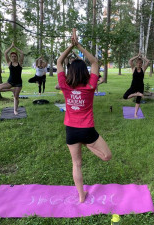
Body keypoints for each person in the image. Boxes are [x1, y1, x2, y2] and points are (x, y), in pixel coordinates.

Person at [57, 29, 112, 203]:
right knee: (107, 156)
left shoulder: (64, 85)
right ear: (85, 73)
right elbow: (95, 61)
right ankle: (89, 145)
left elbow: (59, 61)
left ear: (70, 73)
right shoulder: (90, 86)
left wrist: (70, 46)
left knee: (76, 164)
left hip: (71, 131)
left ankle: (82, 197)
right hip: (87, 130)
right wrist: (79, 45)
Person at [0, 42, 24, 115]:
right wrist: (11, 46)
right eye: (12, 56)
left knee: (16, 97)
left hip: (18, 83)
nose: (14, 57)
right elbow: (5, 53)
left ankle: (15, 110)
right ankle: (12, 90)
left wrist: (15, 47)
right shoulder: (9, 63)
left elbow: (22, 53)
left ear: (17, 57)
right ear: (10, 57)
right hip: (10, 82)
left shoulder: (20, 63)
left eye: (15, 56)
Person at [123, 53, 150, 118]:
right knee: (125, 96)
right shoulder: (133, 68)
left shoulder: (143, 69)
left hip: (140, 87)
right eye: (138, 63)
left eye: (140, 63)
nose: (139, 64)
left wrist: (142, 57)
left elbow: (148, 61)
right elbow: (130, 60)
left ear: (141, 64)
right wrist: (137, 56)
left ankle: (135, 114)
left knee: (138, 101)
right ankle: (136, 94)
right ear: (136, 63)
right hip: (133, 86)